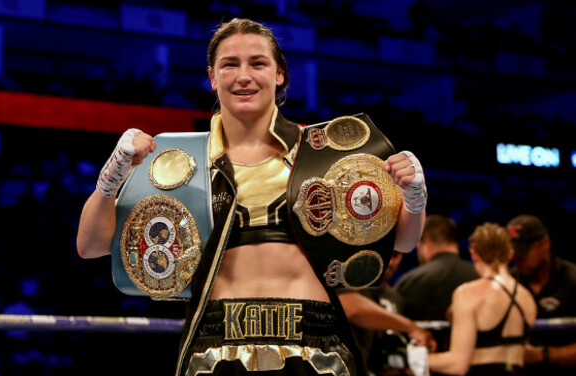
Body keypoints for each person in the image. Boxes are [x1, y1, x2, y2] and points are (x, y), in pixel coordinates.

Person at [77, 18, 427, 376]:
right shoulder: (175, 159)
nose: (244, 76)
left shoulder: (324, 154)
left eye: (258, 63)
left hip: (314, 341)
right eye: (230, 64)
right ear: (212, 77)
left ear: (280, 75)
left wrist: (414, 196)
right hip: (217, 341)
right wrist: (111, 179)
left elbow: (404, 239)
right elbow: (90, 245)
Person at [427, 223, 537, 376]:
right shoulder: (527, 297)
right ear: (510, 254)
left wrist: (412, 358)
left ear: (474, 254)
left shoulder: (468, 293)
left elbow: (457, 364)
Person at [338, 251, 437, 376]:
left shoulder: (396, 297)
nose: (390, 262)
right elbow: (352, 309)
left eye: (396, 256)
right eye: (387, 254)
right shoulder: (348, 282)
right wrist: (410, 327)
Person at [506, 214, 576, 376]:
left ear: (545, 244)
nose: (517, 259)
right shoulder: (507, 283)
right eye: (513, 253)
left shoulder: (572, 280)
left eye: (523, 253)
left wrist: (542, 355)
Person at [395, 215, 479, 323]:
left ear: (427, 244)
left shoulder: (410, 281)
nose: (418, 253)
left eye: (418, 248)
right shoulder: (481, 277)